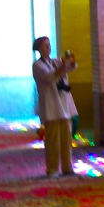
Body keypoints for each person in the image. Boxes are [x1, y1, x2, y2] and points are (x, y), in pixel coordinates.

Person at [33, 36, 77, 177]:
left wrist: (70, 60)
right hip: (51, 106)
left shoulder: (56, 61)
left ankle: (67, 167)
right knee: (52, 140)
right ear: (39, 49)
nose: (49, 48)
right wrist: (63, 67)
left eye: (49, 45)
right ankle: (52, 169)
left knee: (66, 139)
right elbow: (50, 76)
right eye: (45, 46)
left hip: (64, 104)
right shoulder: (37, 66)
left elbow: (71, 67)